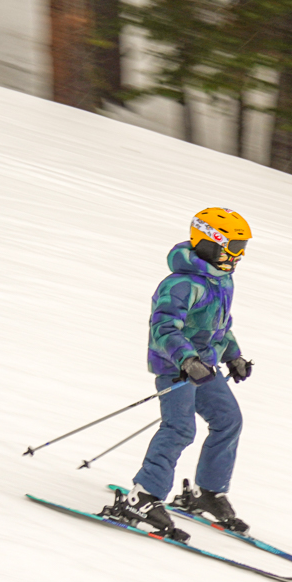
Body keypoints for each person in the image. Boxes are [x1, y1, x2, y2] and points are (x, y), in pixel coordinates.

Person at [116, 207, 254, 540]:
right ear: (210, 243)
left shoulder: (222, 280)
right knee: (179, 429)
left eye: (242, 249)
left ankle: (207, 492)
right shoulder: (181, 284)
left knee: (229, 420)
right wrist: (187, 359)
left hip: (205, 368)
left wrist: (233, 355)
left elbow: (221, 326)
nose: (238, 256)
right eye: (233, 248)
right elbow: (164, 327)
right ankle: (143, 497)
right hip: (177, 368)